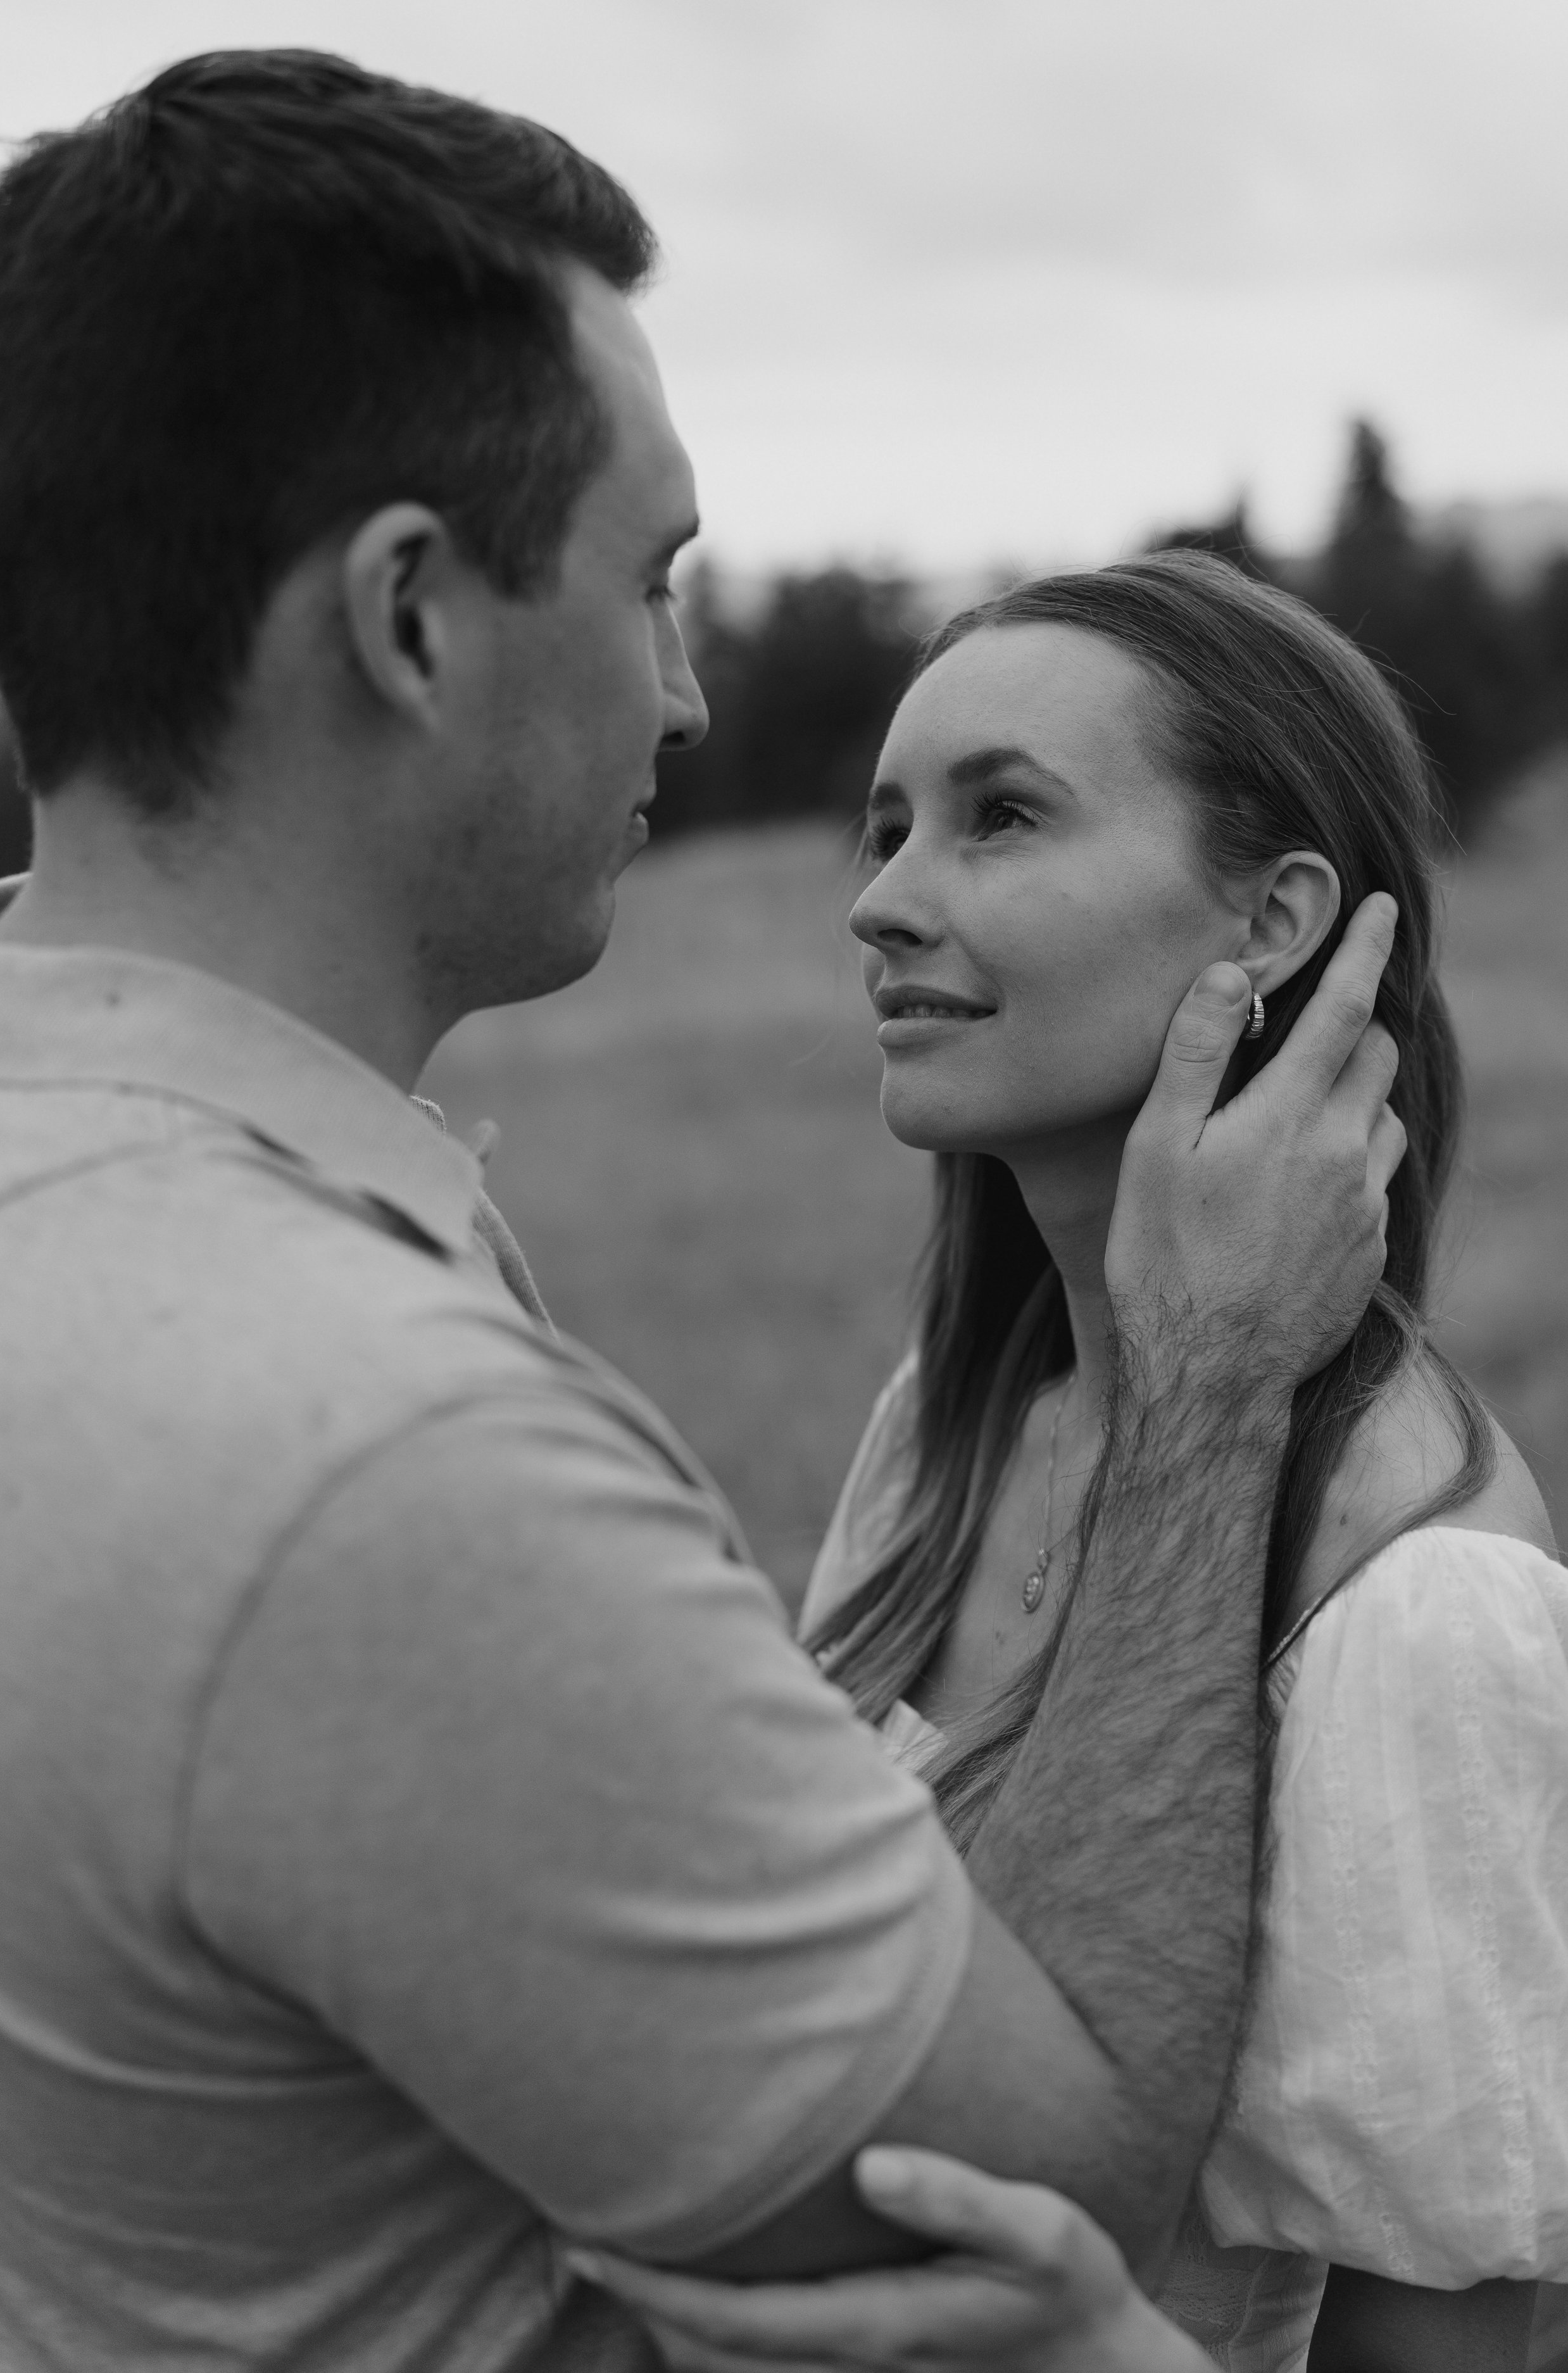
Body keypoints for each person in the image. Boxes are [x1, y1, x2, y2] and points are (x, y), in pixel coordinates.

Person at [0, 54, 1402, 2372]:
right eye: (649, 582)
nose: (686, 688)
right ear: (412, 620)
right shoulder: (366, 1455)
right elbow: (1033, 2186)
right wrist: (1211, 1394)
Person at [572, 556, 1567, 2373]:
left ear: (1270, 924)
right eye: (884, 828)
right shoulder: (953, 1424)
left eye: (999, 817)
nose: (881, 900)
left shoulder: (1419, 1606)